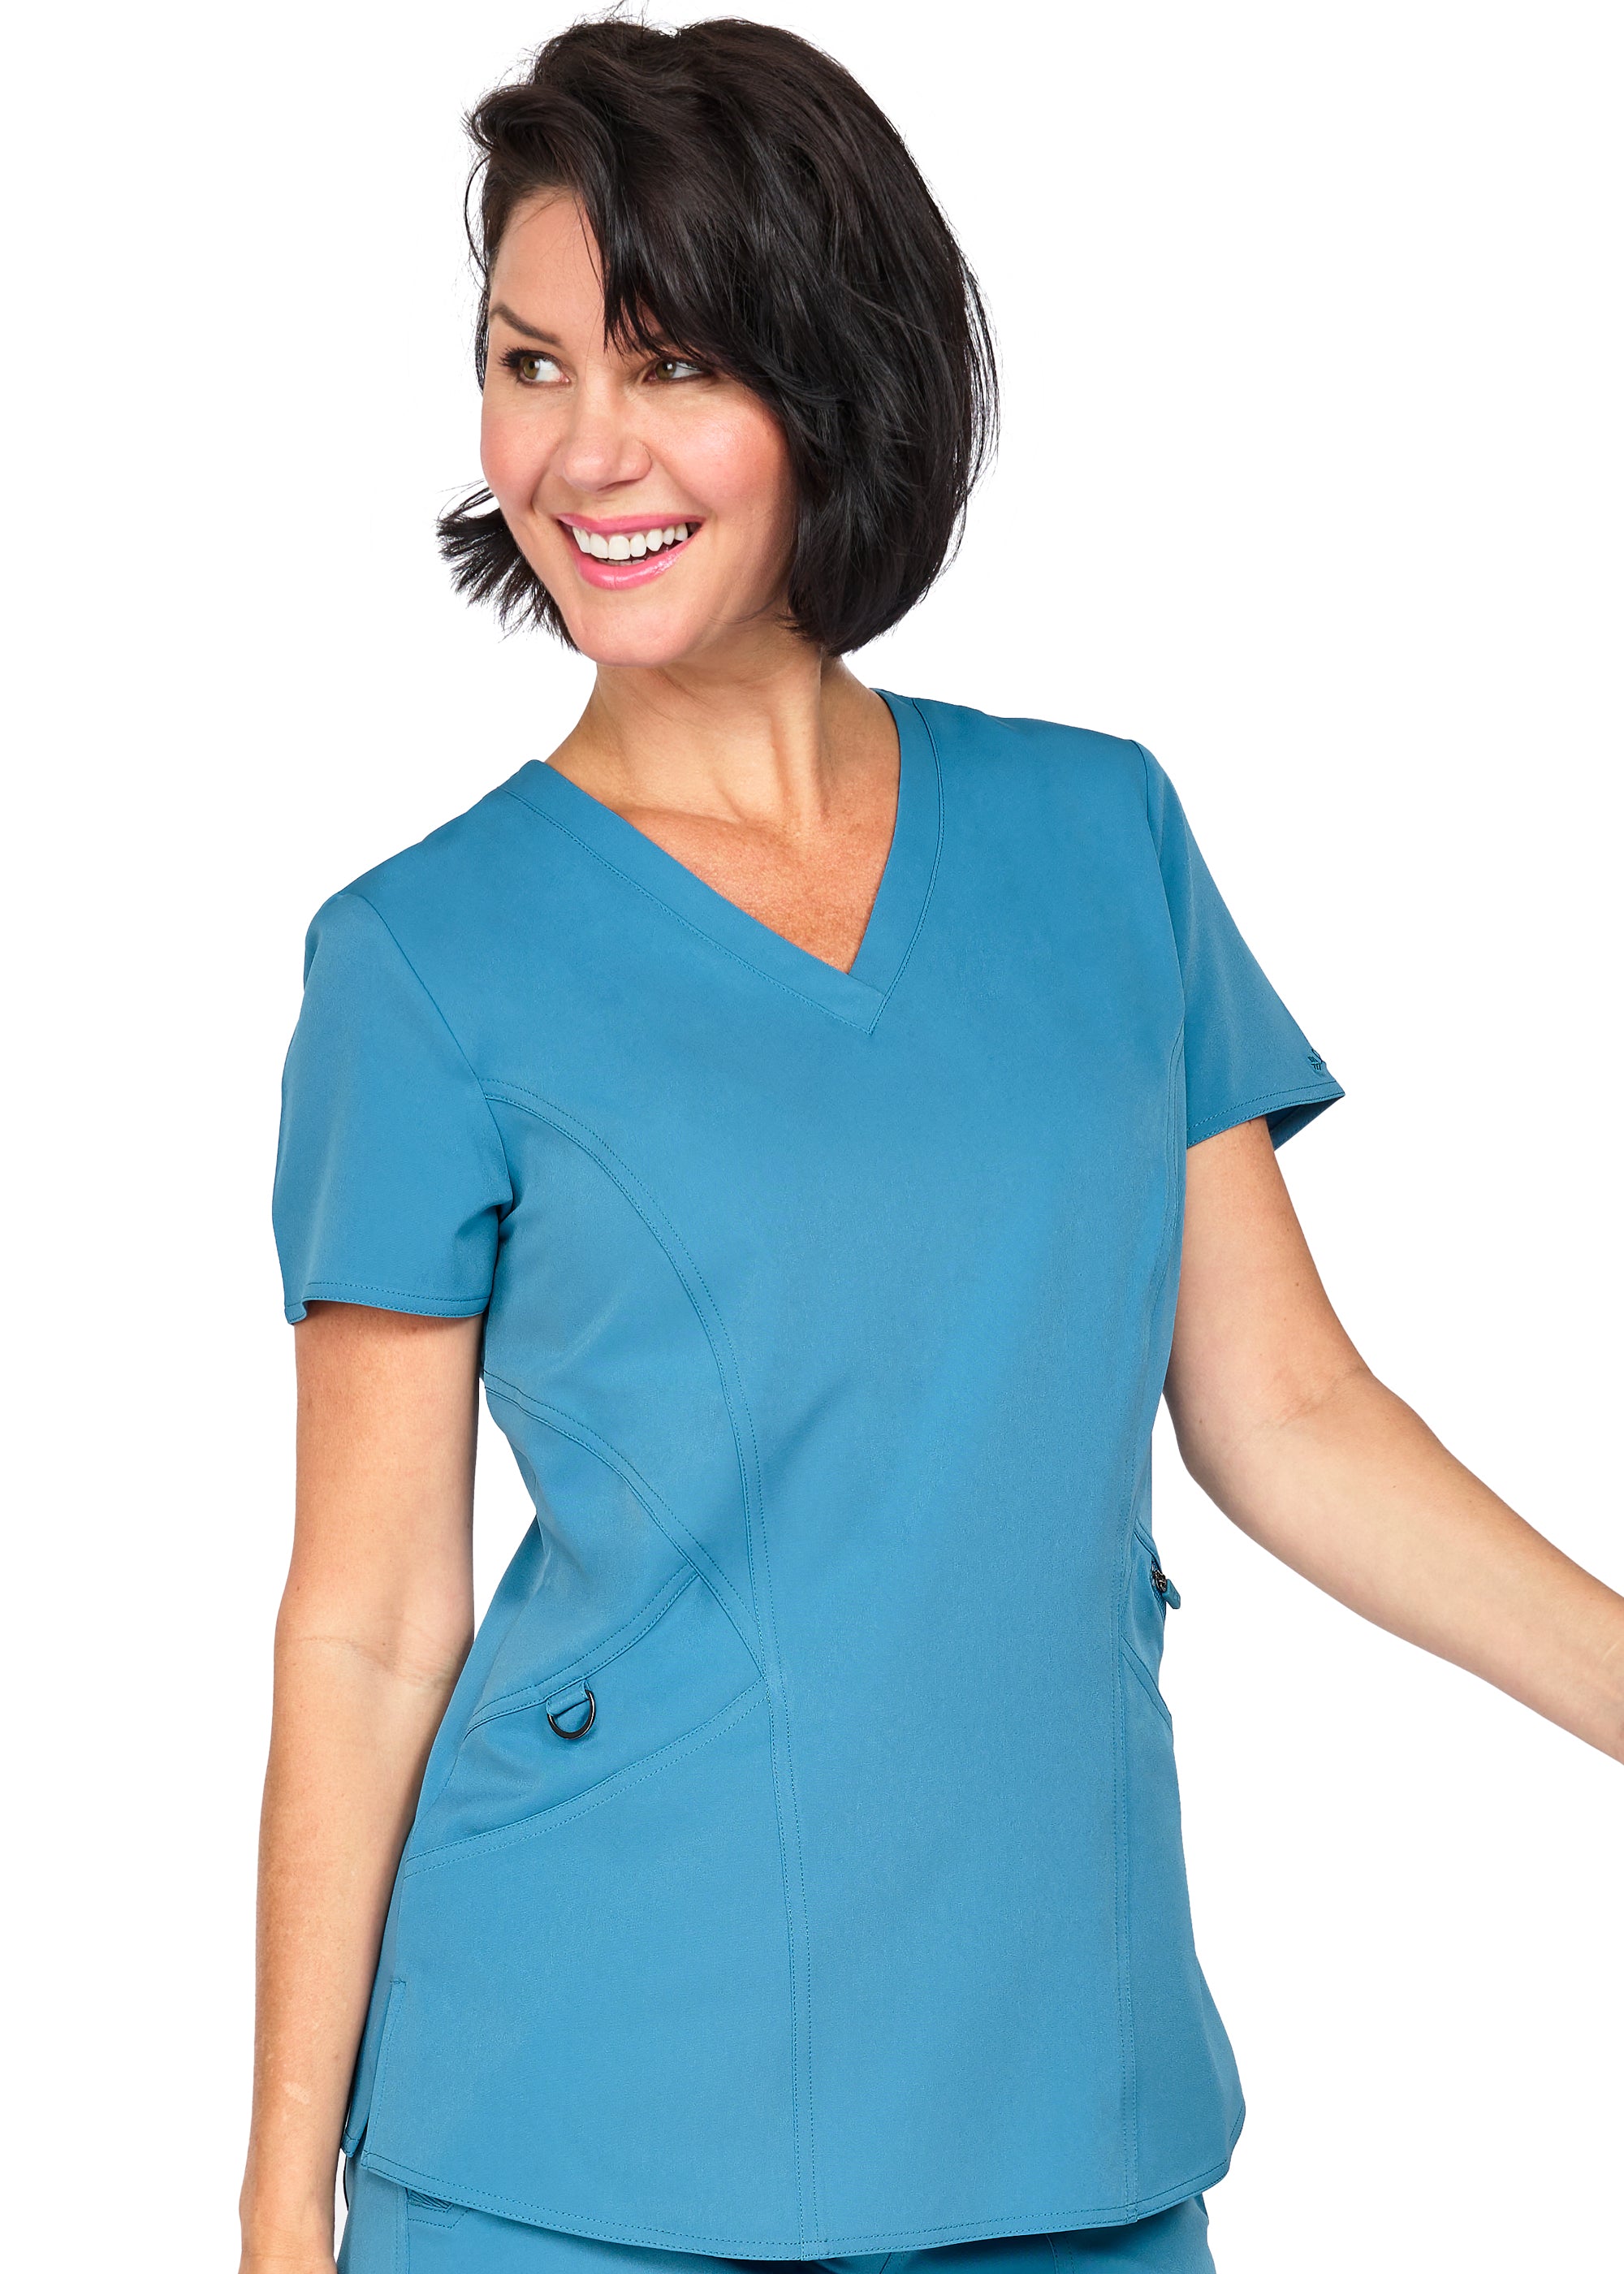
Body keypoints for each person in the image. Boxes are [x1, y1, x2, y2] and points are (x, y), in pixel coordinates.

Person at [238, 19, 1624, 2274]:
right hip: (575, 2138)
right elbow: (372, 1620)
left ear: (833, 380)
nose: (585, 451)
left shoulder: (1100, 840)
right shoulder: (422, 959)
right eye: (528, 362)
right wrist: (277, 2200)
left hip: (1064, 2110)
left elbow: (1286, 1415)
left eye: (675, 363)